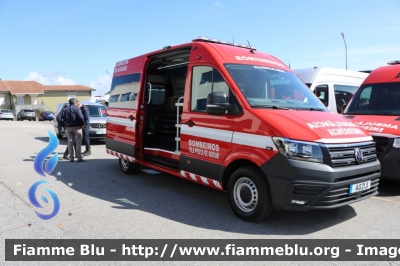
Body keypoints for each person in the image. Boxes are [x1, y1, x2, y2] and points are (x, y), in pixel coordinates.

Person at [57, 98, 85, 162]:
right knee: (78, 143)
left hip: (68, 128)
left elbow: (58, 117)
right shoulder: (77, 109)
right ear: (75, 103)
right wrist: (82, 124)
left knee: (70, 142)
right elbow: (81, 117)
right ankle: (79, 157)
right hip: (77, 127)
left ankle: (71, 158)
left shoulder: (64, 109)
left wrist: (63, 124)